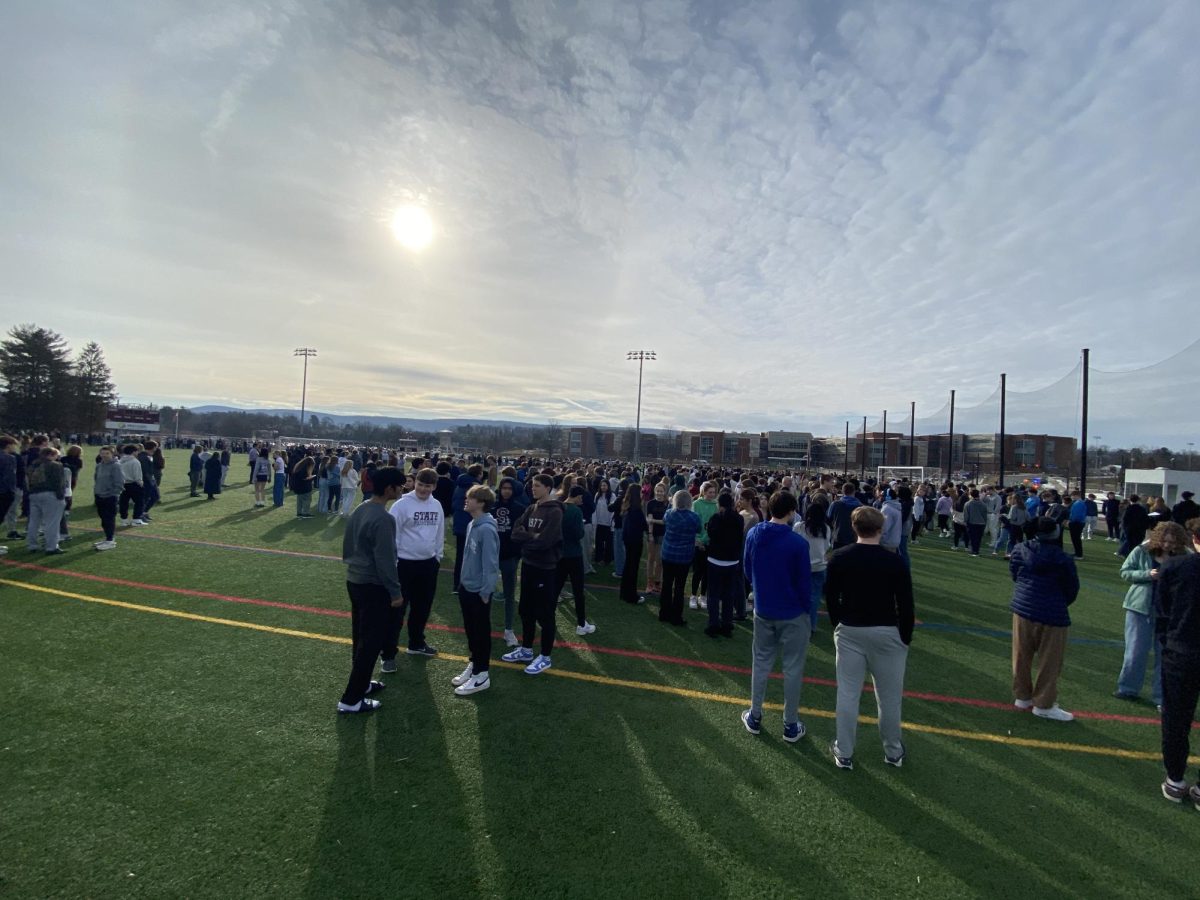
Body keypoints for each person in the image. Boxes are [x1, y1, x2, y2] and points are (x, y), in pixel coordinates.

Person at [825, 506, 915, 769]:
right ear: (881, 529)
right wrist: (905, 637)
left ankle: (844, 750)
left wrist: (838, 622)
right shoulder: (894, 560)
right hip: (886, 632)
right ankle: (893, 751)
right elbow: (906, 603)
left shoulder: (840, 557)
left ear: (854, 528)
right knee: (889, 698)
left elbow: (831, 596)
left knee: (848, 693)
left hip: (851, 630)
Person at [741, 490, 812, 744]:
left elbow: (747, 569)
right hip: (792, 612)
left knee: (761, 662)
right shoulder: (797, 543)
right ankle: (790, 724)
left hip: (764, 608)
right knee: (792, 668)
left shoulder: (755, 534)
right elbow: (805, 584)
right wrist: (806, 610)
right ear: (791, 512)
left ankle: (755, 715)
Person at [337, 465, 404, 714]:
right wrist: (395, 593)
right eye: (400, 485)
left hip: (355, 580)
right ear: (389, 488)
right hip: (373, 586)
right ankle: (351, 699)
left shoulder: (362, 507)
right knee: (370, 644)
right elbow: (386, 560)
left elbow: (348, 545)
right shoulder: (383, 518)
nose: (402, 489)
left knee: (360, 637)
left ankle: (362, 685)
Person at [1009, 516, 1080, 721]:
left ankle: (1022, 695)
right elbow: (1071, 588)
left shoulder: (1020, 549)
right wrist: (1059, 601)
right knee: (1050, 661)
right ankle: (1043, 703)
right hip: (1052, 612)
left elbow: (1014, 573)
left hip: (1023, 607)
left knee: (1021, 654)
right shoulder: (1063, 559)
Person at [1115, 522, 1189, 706]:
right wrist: (1147, 574)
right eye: (1165, 541)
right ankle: (1128, 688)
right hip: (1140, 608)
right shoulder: (1142, 550)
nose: (1168, 545)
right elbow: (1125, 572)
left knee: (1165, 656)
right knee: (1135, 652)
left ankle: (1162, 698)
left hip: (1170, 613)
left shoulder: (1186, 556)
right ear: (1158, 538)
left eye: (1172, 542)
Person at [502, 474, 564, 675]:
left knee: (545, 613)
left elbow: (546, 541)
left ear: (548, 488)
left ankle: (545, 656)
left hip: (544, 568)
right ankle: (526, 650)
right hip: (528, 565)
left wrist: (527, 541)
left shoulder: (554, 512)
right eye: (532, 486)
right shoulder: (531, 508)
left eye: (537, 486)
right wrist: (532, 537)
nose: (533, 489)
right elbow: (515, 532)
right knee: (525, 610)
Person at [1157, 516, 1200, 803]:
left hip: (1181, 651)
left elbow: (1162, 612)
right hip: (1181, 647)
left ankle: (1175, 778)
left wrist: (1168, 642)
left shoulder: (1175, 567)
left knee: (1176, 718)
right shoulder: (1177, 566)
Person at [386, 467, 445, 663]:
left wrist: (437, 557)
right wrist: (394, 563)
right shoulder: (401, 505)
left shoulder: (436, 505)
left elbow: (439, 533)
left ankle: (416, 643)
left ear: (434, 486)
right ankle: (388, 653)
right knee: (397, 610)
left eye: (427, 486)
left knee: (422, 607)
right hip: (404, 565)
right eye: (420, 485)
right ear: (415, 483)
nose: (423, 489)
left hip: (428, 565)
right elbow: (392, 536)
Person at [452, 484, 501, 696]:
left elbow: (491, 564)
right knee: (471, 630)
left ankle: (482, 674)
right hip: (467, 587)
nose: (466, 501)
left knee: (480, 632)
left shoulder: (487, 529)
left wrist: (485, 591)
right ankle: (474, 663)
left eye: (470, 498)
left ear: (481, 503)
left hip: (479, 591)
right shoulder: (473, 524)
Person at [557, 485, 596, 635]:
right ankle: (581, 623)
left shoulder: (559, 507)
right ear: (578, 496)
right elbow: (579, 533)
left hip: (560, 554)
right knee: (578, 591)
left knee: (555, 588)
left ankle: (547, 618)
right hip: (573, 554)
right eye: (581, 497)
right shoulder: (576, 511)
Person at [704, 492, 743, 637]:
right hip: (732, 561)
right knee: (728, 594)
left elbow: (711, 535)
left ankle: (713, 623)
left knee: (713, 594)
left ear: (719, 504)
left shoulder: (716, 518)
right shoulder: (738, 519)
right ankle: (727, 624)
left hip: (715, 559)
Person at [660, 490, 701, 624]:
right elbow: (699, 529)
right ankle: (676, 617)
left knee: (666, 584)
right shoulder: (694, 517)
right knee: (679, 587)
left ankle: (664, 613)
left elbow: (665, 521)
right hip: (684, 556)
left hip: (668, 553)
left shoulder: (669, 514)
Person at [25, 446, 67, 554]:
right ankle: (51, 547)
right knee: (52, 522)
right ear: (51, 455)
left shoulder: (33, 465)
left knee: (34, 522)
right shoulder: (56, 465)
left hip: (34, 494)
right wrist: (61, 496)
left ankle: (32, 545)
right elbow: (59, 482)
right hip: (50, 494)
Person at [451, 464, 484, 592]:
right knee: (473, 555)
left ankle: (457, 584)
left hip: (459, 523)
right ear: (478, 473)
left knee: (460, 555)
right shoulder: (475, 488)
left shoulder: (459, 484)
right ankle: (470, 583)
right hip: (471, 523)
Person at [798, 501, 830, 632]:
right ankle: (811, 625)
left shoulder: (800, 527)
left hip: (803, 565)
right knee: (815, 597)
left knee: (800, 595)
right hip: (820, 566)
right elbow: (827, 546)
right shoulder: (826, 528)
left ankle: (801, 623)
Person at [689, 482, 718, 610]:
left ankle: (703, 596)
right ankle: (693, 596)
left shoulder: (716, 506)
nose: (712, 494)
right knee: (697, 571)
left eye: (713, 492)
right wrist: (697, 540)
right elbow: (693, 524)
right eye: (710, 492)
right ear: (703, 492)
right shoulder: (696, 504)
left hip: (711, 544)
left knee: (707, 572)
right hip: (698, 543)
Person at [619, 484, 648, 606]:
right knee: (633, 568)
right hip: (635, 541)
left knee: (628, 566)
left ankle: (624, 593)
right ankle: (631, 595)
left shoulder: (627, 507)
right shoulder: (636, 511)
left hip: (628, 540)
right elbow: (644, 526)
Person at [92, 445, 124, 551]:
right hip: (99, 496)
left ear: (112, 454)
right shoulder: (99, 465)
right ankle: (107, 538)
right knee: (103, 520)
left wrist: (113, 494)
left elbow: (119, 483)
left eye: (107, 453)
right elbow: (96, 479)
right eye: (102, 453)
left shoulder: (116, 466)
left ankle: (110, 541)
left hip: (110, 497)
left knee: (109, 519)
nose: (104, 456)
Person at [645, 482, 668, 594]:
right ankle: (649, 582)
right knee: (651, 559)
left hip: (663, 534)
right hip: (652, 533)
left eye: (661, 491)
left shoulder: (667, 504)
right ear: (655, 491)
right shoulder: (650, 503)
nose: (659, 493)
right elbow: (649, 519)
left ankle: (657, 582)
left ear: (664, 492)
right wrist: (650, 534)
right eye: (657, 491)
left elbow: (665, 522)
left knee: (659, 560)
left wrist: (653, 521)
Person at [828, 482, 862, 549]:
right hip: (855, 538)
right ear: (854, 491)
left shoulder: (835, 504)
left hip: (838, 537)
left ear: (843, 491)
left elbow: (828, 518)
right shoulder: (860, 507)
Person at [592, 479, 614, 567]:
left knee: (609, 543)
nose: (603, 487)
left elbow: (613, 511)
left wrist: (612, 523)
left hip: (608, 523)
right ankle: (598, 558)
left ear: (608, 486)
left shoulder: (612, 496)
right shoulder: (597, 495)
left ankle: (607, 560)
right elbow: (595, 509)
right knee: (599, 542)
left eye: (605, 485)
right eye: (602, 485)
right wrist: (595, 521)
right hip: (599, 523)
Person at [963, 489, 988, 557]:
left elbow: (966, 515)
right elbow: (985, 515)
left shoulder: (968, 504)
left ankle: (974, 551)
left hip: (972, 523)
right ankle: (976, 551)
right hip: (981, 523)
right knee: (978, 538)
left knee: (973, 538)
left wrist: (965, 522)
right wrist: (985, 522)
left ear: (971, 495)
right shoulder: (983, 504)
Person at [1067, 492, 1088, 559]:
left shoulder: (1079, 503)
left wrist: (1071, 520)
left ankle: (1079, 554)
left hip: (1076, 523)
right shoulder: (1079, 503)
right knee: (1075, 539)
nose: (1072, 498)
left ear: (1076, 496)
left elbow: (1075, 514)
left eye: (1072, 496)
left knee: (1076, 538)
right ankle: (1077, 553)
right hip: (1077, 522)